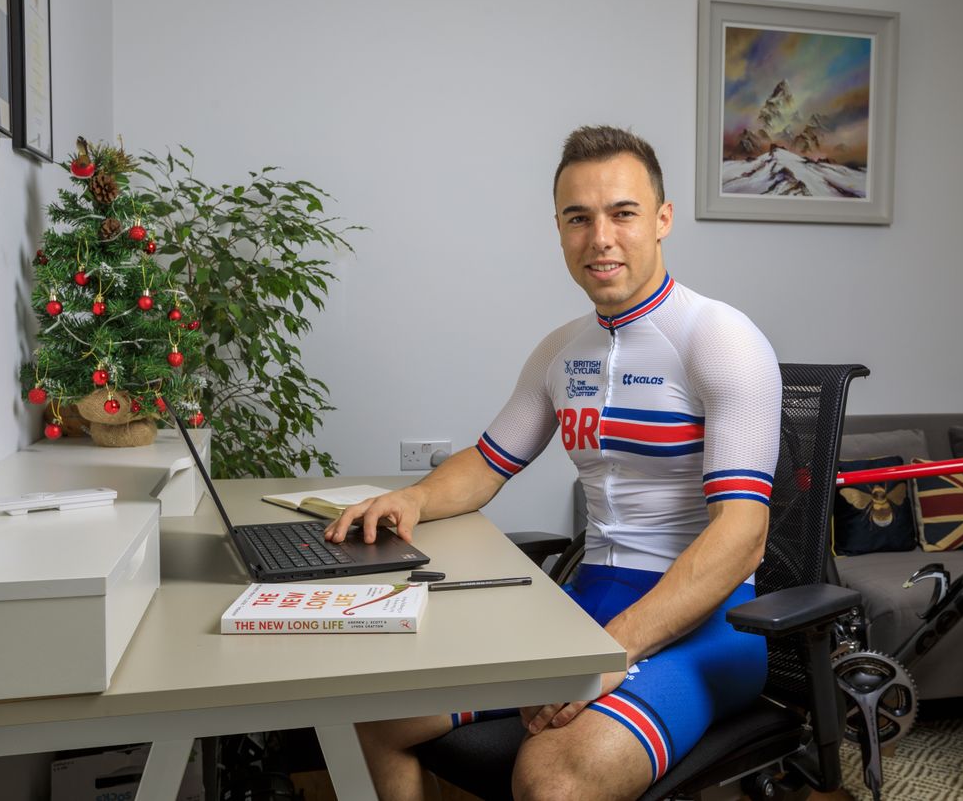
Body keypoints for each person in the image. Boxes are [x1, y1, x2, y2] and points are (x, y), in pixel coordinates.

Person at [326, 125, 782, 801]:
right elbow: (486, 464)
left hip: (708, 629)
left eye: (623, 213)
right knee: (376, 708)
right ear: (560, 229)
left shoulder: (721, 338)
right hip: (585, 607)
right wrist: (415, 499)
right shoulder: (561, 350)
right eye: (579, 218)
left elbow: (743, 536)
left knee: (549, 773)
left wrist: (609, 652)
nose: (600, 237)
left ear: (662, 219)